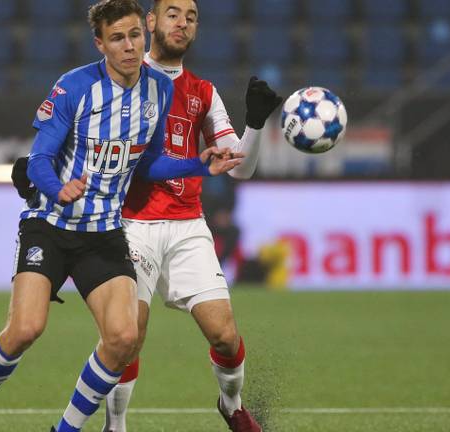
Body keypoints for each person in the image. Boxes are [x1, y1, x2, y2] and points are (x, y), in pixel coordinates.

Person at [0, 1, 242, 431]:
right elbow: (38, 158)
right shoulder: (74, 87)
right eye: (117, 38)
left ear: (145, 34)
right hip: (51, 225)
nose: (130, 46)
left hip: (104, 232)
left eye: (135, 35)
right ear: (100, 44)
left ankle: (67, 428)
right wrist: (57, 189)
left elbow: (148, 163)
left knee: (123, 339)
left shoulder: (159, 89)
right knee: (25, 329)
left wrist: (197, 164)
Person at [102, 1, 282, 431]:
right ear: (151, 22)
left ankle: (232, 405)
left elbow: (241, 167)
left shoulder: (203, 91)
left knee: (224, 334)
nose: (181, 22)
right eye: (172, 13)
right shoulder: (123, 76)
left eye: (191, 16)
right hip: (131, 225)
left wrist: (254, 125)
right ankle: (116, 425)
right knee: (128, 337)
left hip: (186, 224)